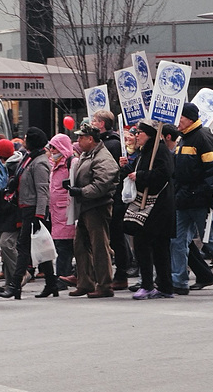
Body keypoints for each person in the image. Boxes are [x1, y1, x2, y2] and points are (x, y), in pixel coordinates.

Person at [169, 102, 213, 295]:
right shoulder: (184, 139)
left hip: (198, 201)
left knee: (210, 240)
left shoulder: (202, 137)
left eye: (181, 117)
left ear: (190, 118)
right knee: (177, 241)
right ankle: (179, 281)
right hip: (184, 200)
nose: (177, 121)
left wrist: (203, 193)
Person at [0, 127, 55, 299]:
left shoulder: (40, 163)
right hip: (25, 207)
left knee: (24, 248)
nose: (23, 141)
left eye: (26, 138)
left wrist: (39, 215)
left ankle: (14, 285)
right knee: (40, 248)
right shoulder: (30, 158)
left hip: (33, 210)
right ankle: (52, 284)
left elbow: (43, 191)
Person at [122, 119, 175, 299]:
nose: (137, 136)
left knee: (145, 244)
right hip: (151, 206)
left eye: (140, 133)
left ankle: (149, 284)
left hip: (157, 206)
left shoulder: (158, 150)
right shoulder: (145, 152)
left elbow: (164, 174)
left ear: (150, 134)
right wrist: (127, 168)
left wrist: (141, 175)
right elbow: (138, 173)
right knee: (158, 247)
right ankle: (164, 285)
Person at [65, 124, 119, 298]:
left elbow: (102, 184)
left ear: (90, 139)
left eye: (81, 137)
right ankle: (85, 282)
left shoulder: (103, 158)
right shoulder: (87, 155)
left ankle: (104, 284)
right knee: (80, 245)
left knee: (99, 246)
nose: (78, 140)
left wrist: (82, 191)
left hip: (97, 206)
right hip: (85, 206)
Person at [92, 110, 130, 290]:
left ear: (101, 124)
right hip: (109, 196)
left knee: (116, 236)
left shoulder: (111, 144)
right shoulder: (104, 143)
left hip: (114, 197)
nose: (92, 123)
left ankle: (122, 272)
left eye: (94, 120)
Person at [0, 138, 21, 292]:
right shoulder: (6, 167)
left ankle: (20, 275)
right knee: (5, 248)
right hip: (4, 212)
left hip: (12, 212)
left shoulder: (13, 168)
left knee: (6, 244)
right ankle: (11, 282)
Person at [47, 133, 77, 281]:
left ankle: (62, 276)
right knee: (62, 245)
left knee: (64, 246)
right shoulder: (54, 164)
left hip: (66, 212)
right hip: (56, 212)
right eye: (51, 147)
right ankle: (64, 275)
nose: (52, 150)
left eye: (55, 147)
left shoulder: (71, 163)